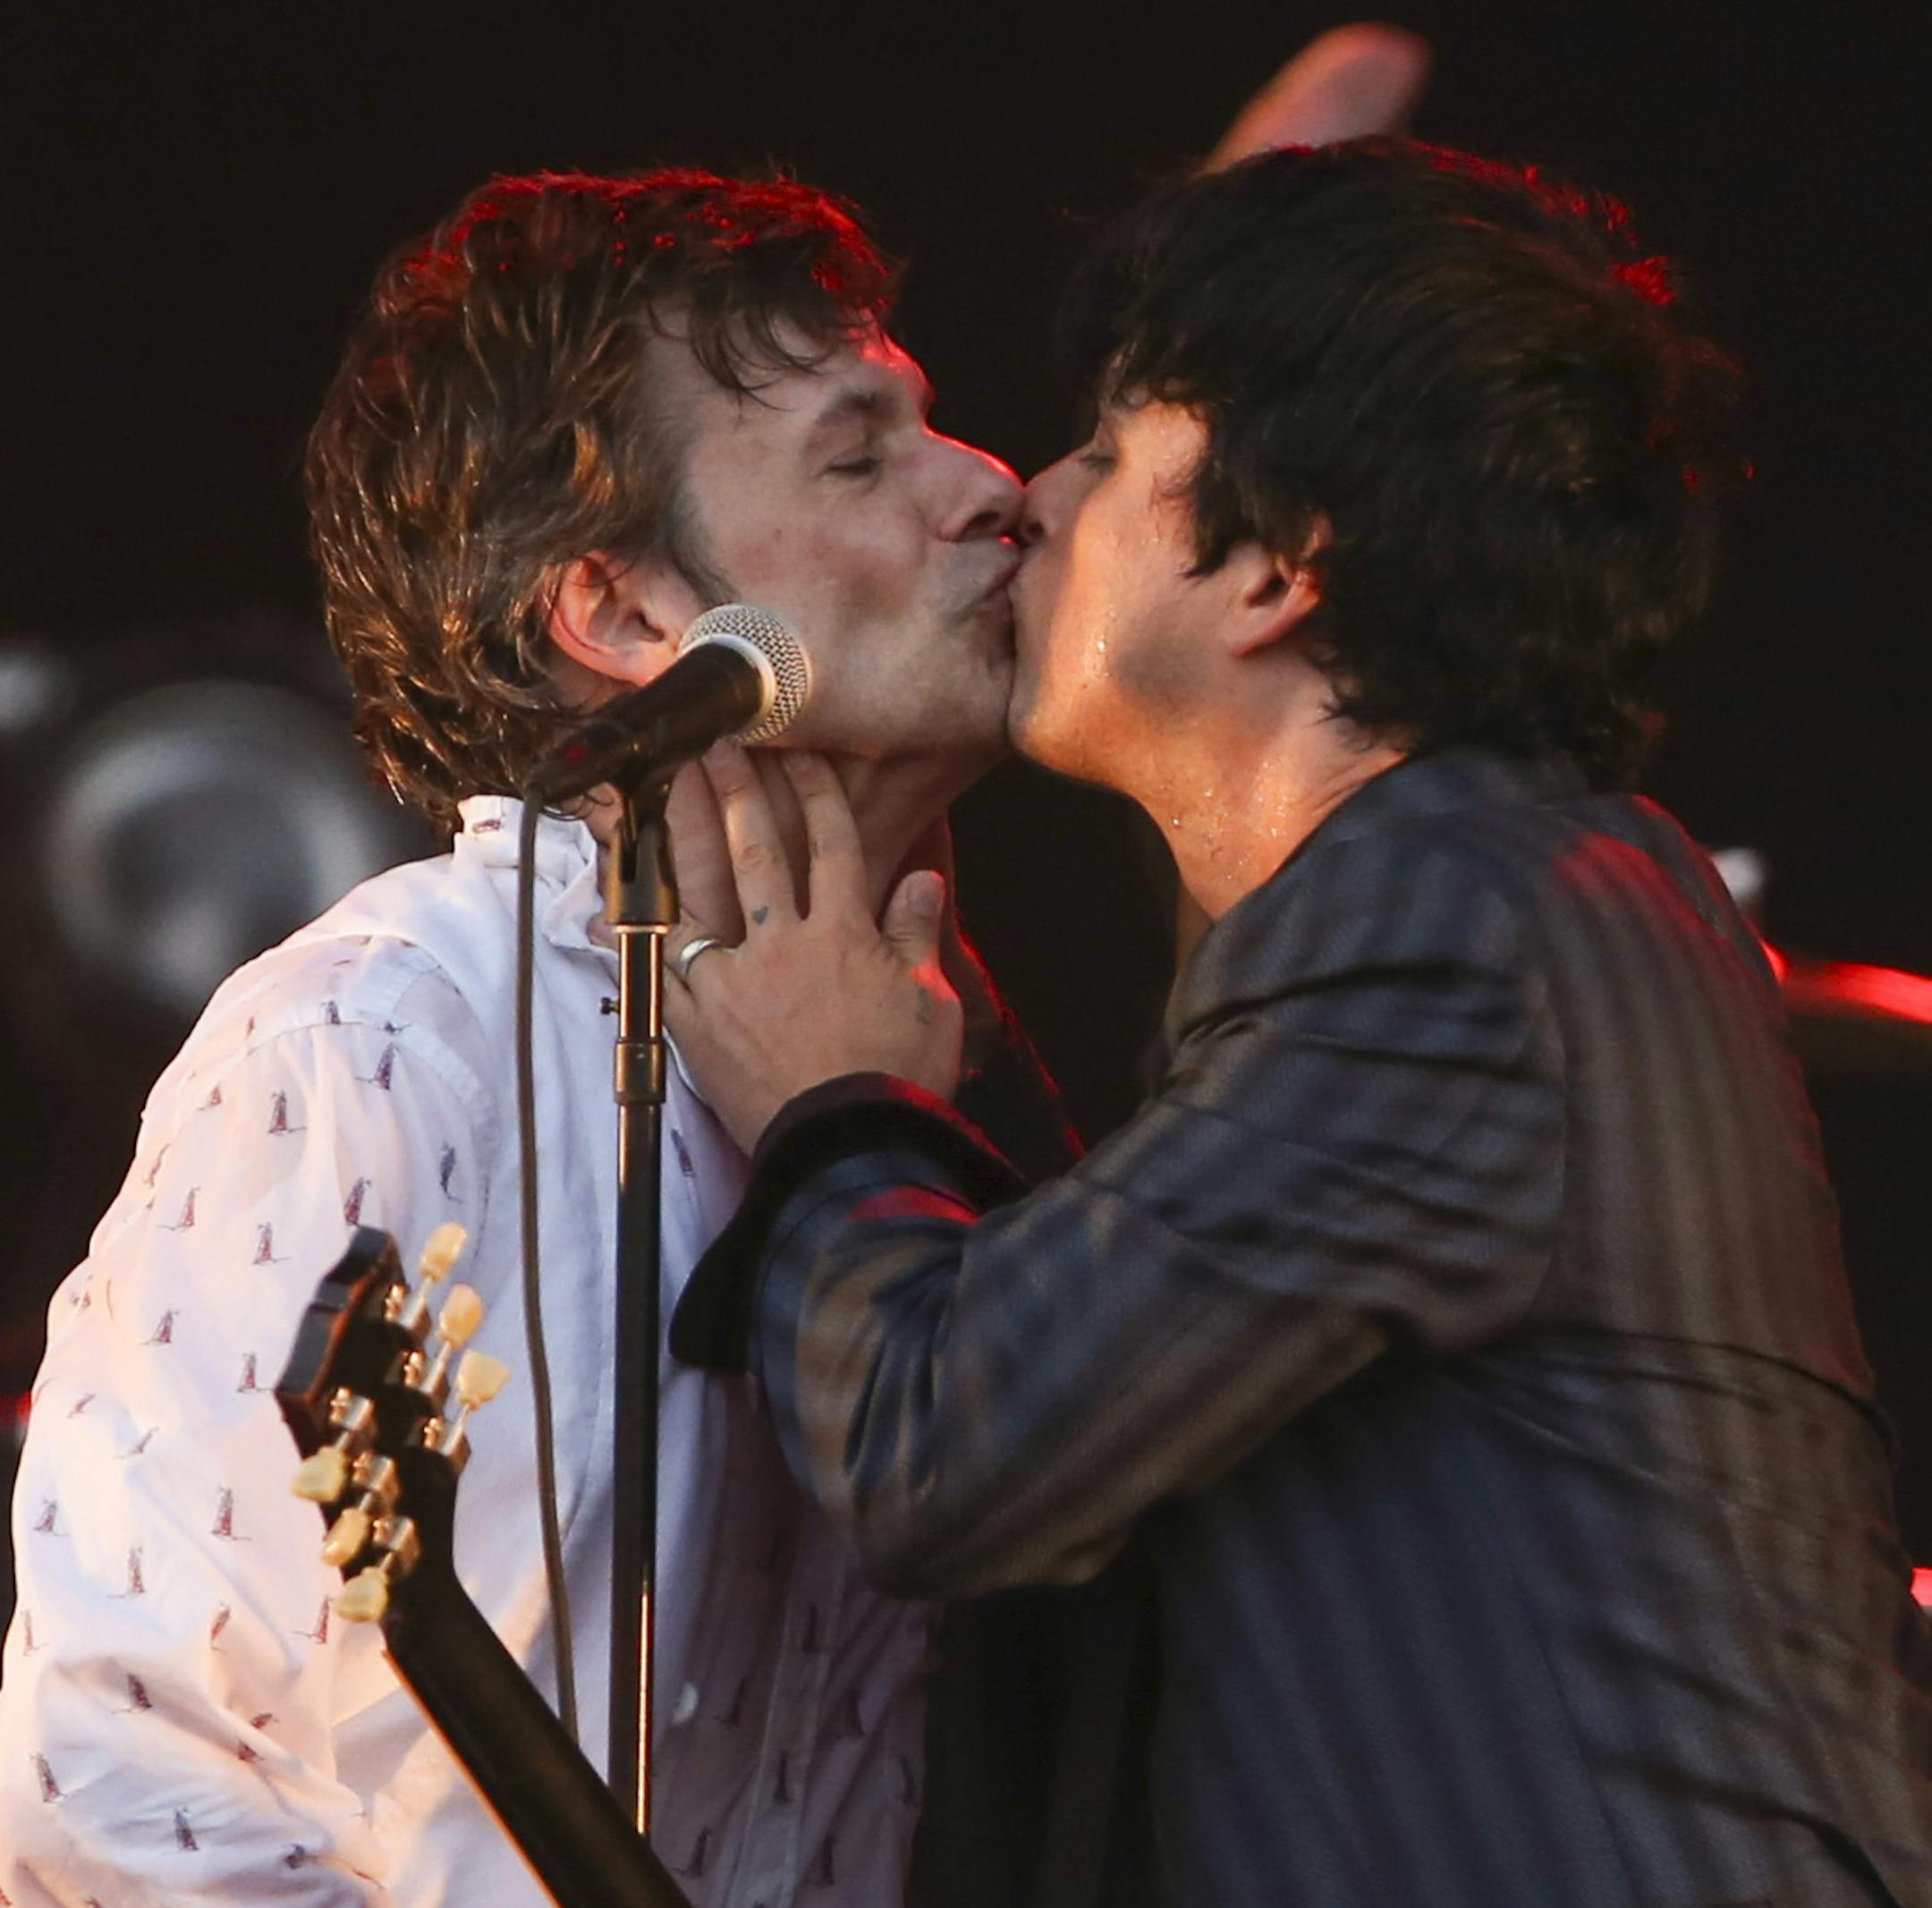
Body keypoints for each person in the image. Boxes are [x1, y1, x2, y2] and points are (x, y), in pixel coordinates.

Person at [661, 140, 1932, 1906]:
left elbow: (947, 1443)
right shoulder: (1487, 904)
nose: (1035, 494)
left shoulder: (1461, 926)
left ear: (1281, 566)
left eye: (1110, 449)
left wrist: (838, 1101)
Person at [0, 165, 1059, 1908]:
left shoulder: (899, 1038)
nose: (989, 489)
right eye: (862, 454)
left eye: (934, 426)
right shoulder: (396, 1032)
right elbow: (255, 1794)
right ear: (632, 618)